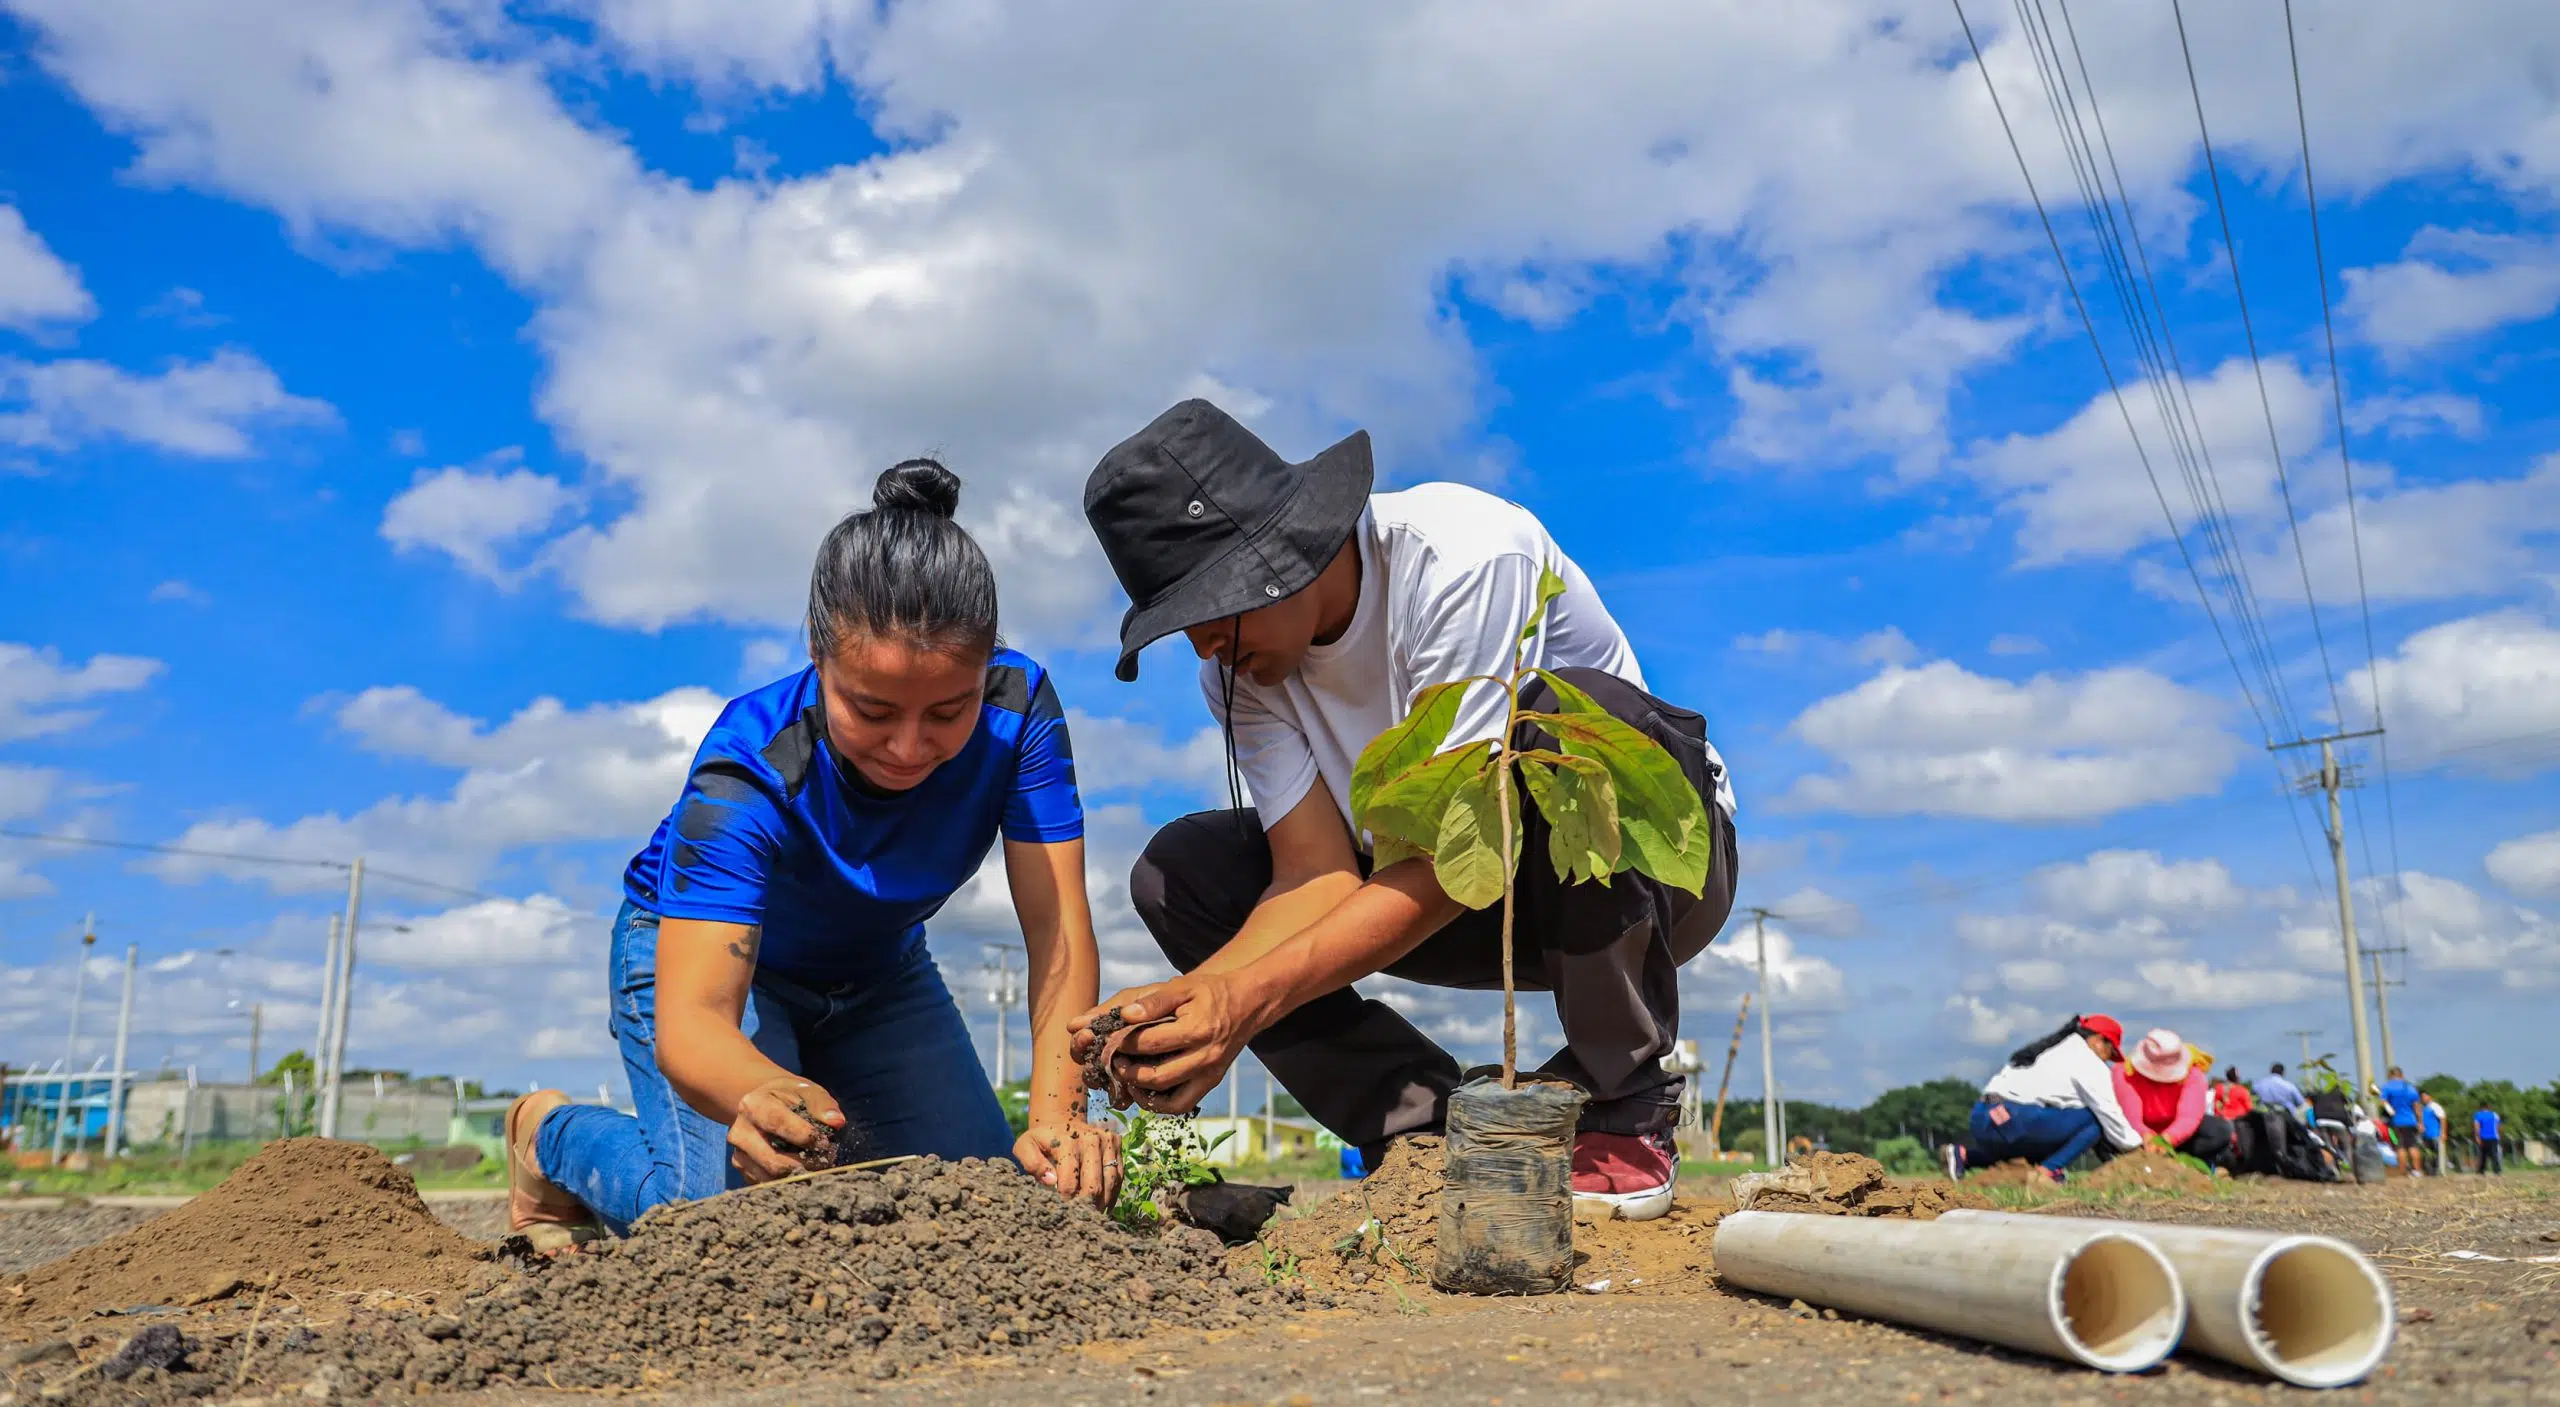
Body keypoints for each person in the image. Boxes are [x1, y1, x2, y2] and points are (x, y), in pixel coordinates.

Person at [1071, 399, 1738, 1222]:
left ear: (1280, 557)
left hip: (1647, 876)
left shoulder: (1464, 557)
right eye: (1182, 626)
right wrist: (1198, 1003)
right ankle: (1424, 1132)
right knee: (1181, 873)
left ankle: (1620, 1104)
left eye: (1212, 611)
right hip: (1442, 897)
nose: (1204, 646)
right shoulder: (1241, 675)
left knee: (1569, 721)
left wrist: (1244, 1002)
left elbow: (1459, 856)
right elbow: (1314, 875)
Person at [503, 460, 1117, 1250]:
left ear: (983, 670)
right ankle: (547, 1136)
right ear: (820, 659)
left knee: (983, 1203)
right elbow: (695, 1021)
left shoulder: (1019, 707)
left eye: (946, 712)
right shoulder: (748, 767)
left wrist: (1060, 1119)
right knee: (729, 1221)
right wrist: (760, 1090)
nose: (909, 747)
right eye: (873, 710)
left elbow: (1057, 927)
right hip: (706, 965)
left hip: (880, 974)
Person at [1954, 1015, 2140, 1181]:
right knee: (2095, 1119)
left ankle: (1965, 1156)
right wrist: (2137, 1147)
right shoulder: (2087, 1060)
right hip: (2014, 1118)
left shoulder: (2051, 1048)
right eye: (2110, 1052)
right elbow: (2109, 1114)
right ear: (2099, 1040)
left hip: (1983, 1119)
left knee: (2038, 1146)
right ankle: (2048, 1171)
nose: (2107, 1059)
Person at [2112, 1028, 2237, 1170]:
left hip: (2179, 1136)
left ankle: (2181, 1164)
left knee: (2220, 1130)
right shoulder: (2125, 1072)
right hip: (2137, 1135)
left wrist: (2167, 1140)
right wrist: (2146, 1135)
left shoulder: (2193, 1074)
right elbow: (2131, 1115)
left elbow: (2189, 1117)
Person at [2377, 1067, 2424, 1174]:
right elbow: (2417, 1107)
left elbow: (2383, 1102)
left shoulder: (2387, 1087)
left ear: (2390, 1075)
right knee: (2413, 1146)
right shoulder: (2411, 1088)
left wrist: (2391, 1111)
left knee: (2400, 1147)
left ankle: (2403, 1172)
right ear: (2402, 1075)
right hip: (2411, 1122)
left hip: (2395, 1122)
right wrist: (2420, 1122)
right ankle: (2417, 1171)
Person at [2420, 1091, 2448, 1174]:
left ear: (2430, 1096)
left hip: (2436, 1134)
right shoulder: (2423, 1108)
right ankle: (2430, 1172)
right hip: (2426, 1136)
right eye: (2422, 1097)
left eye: (2425, 1096)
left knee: (2438, 1154)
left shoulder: (2435, 1106)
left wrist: (2443, 1133)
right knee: (2428, 1155)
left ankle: (2440, 1171)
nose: (2423, 1098)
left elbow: (2443, 1119)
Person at [2475, 1104, 2505, 1175]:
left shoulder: (2478, 1115)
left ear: (2481, 1108)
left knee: (2483, 1154)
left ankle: (2481, 1170)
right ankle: (2497, 1170)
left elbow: (2476, 1126)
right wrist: (2500, 1135)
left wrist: (2477, 1136)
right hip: (2494, 1137)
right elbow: (2499, 1126)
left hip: (2483, 1137)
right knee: (2494, 1154)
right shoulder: (2495, 1115)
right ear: (2489, 1108)